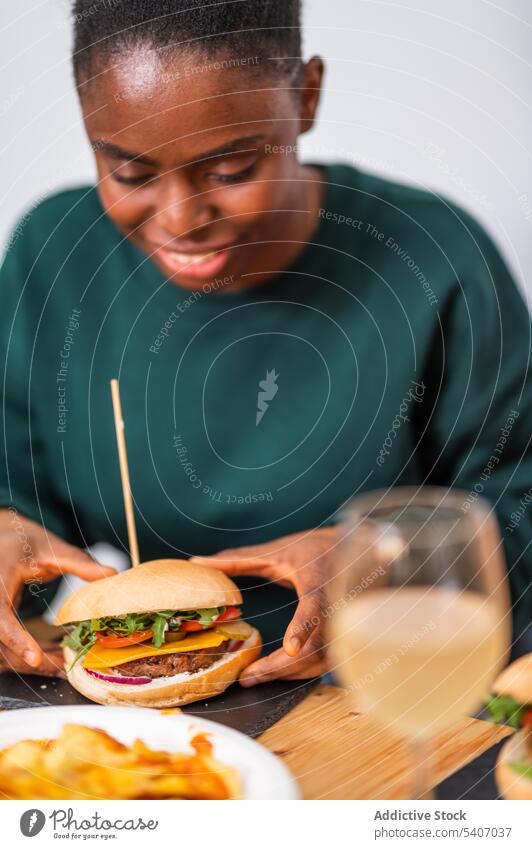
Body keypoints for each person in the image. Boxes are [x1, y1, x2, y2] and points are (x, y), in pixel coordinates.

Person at [1, 0, 531, 686]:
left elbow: (521, 503)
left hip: (392, 691)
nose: (181, 220)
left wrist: (391, 559)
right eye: (129, 172)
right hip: (154, 726)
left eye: (229, 170)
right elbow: (18, 495)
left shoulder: (437, 259)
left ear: (306, 95)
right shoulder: (53, 254)